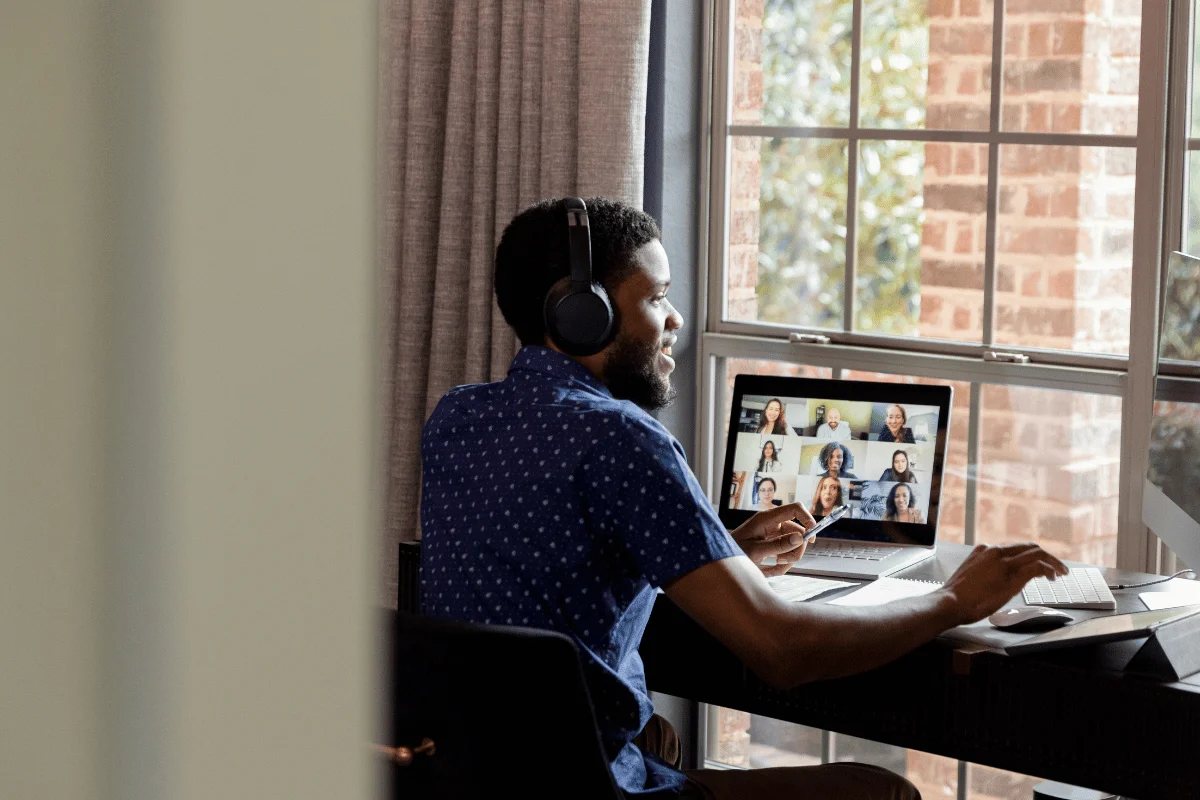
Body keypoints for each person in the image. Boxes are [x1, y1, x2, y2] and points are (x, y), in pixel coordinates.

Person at [420, 196, 1068, 800]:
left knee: (663, 738)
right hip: (598, 790)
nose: (675, 320)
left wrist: (721, 554)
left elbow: (555, 568)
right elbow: (781, 652)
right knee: (880, 791)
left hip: (480, 780)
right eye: (657, 298)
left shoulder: (456, 418)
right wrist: (951, 601)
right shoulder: (621, 438)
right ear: (583, 315)